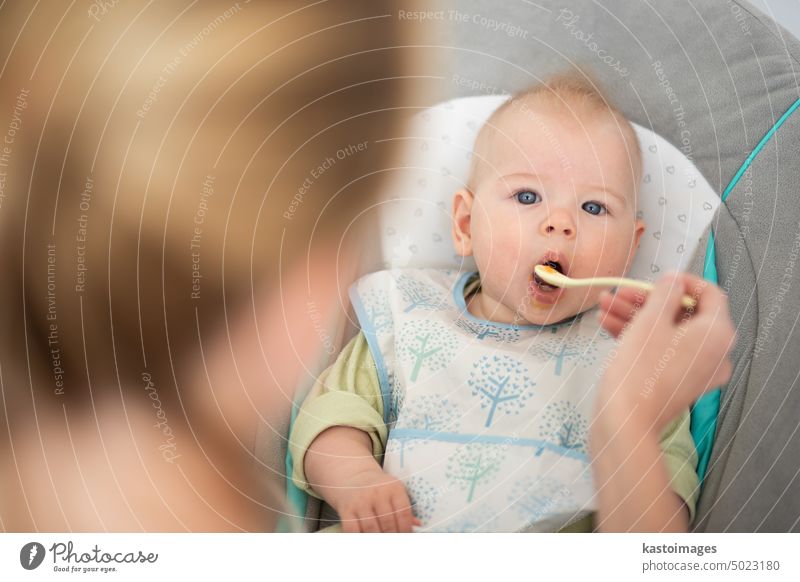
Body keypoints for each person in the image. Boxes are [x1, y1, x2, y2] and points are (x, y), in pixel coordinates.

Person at [288, 74, 735, 532]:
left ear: (630, 248)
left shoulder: (639, 358)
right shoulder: (410, 314)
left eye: (594, 208)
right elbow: (331, 414)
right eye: (527, 196)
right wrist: (356, 478)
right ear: (465, 223)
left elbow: (662, 520)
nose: (560, 223)